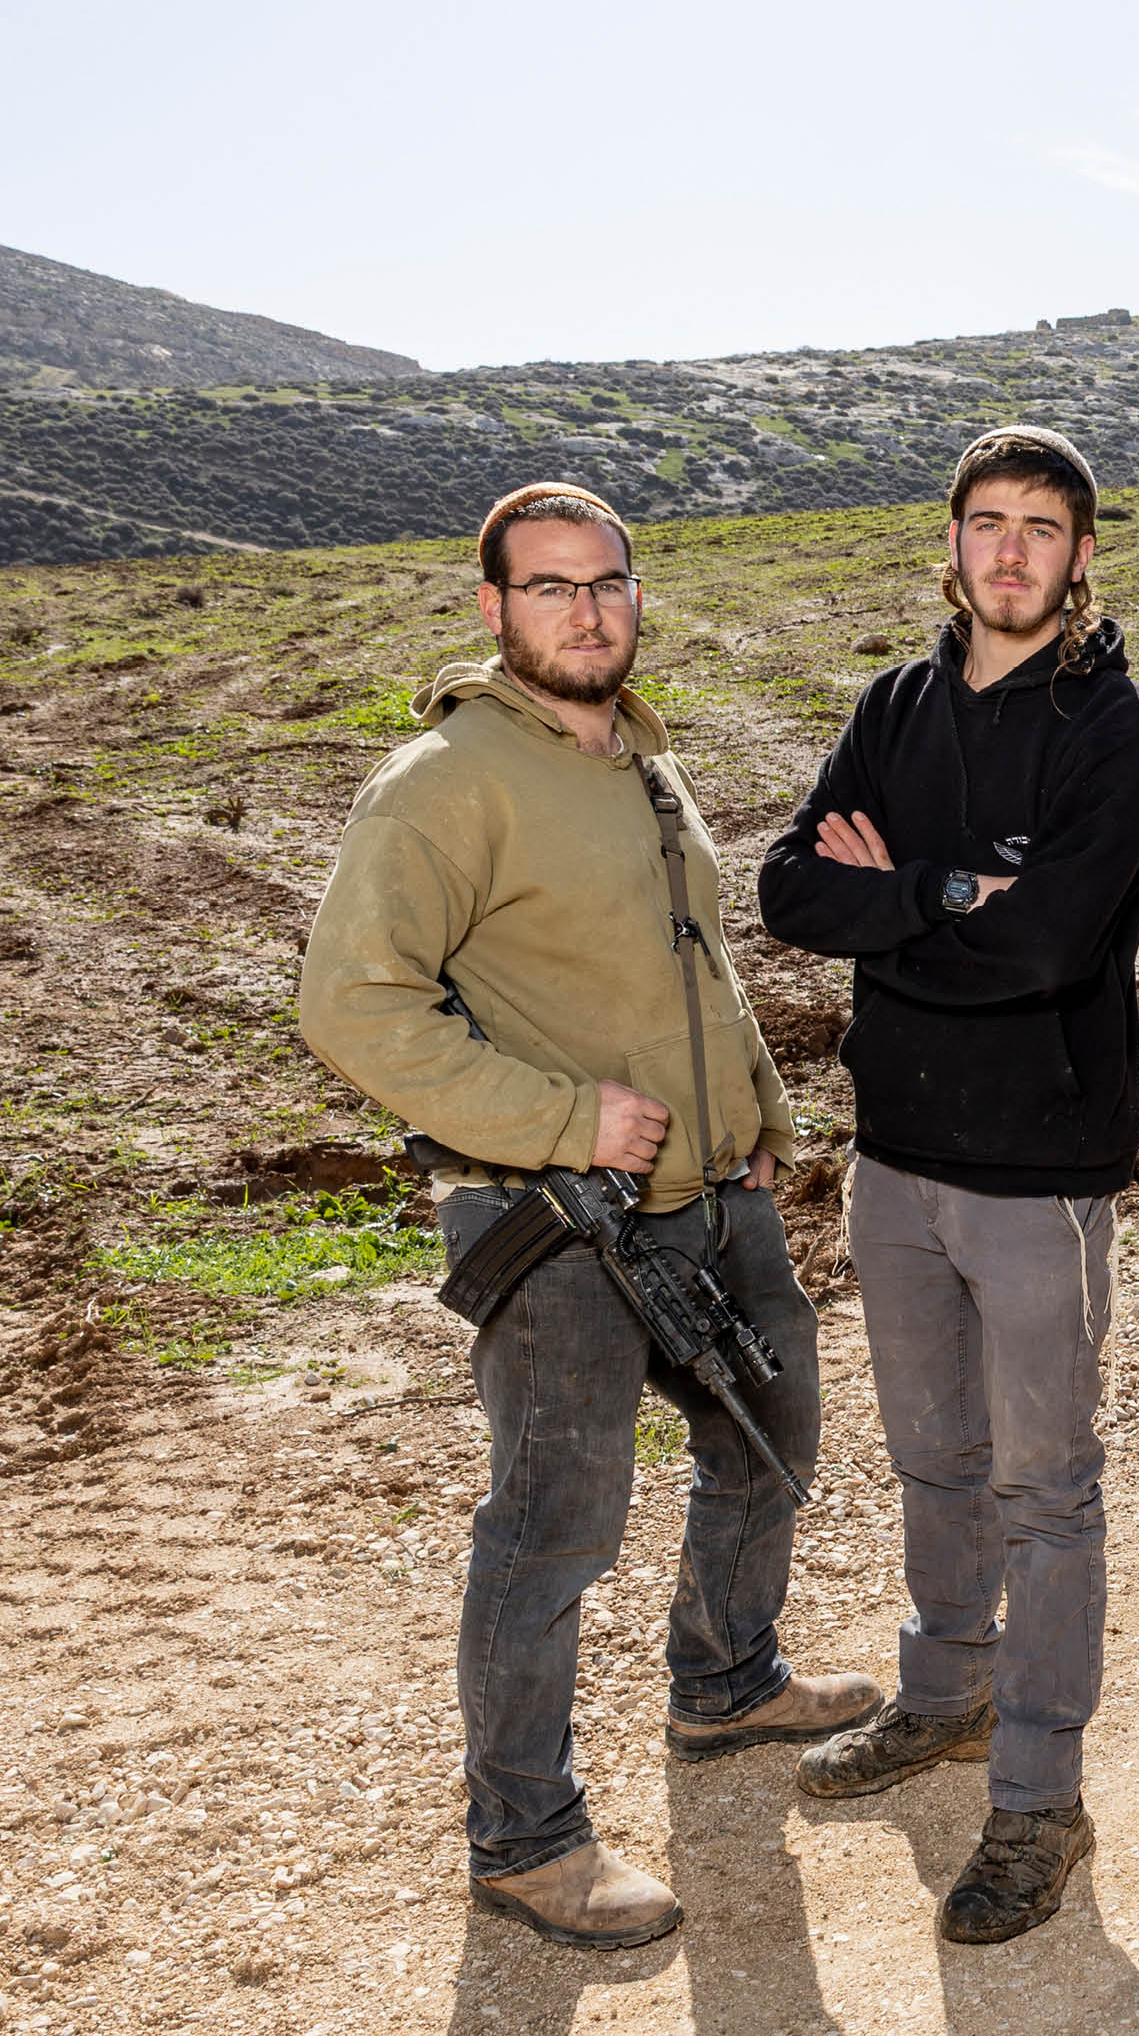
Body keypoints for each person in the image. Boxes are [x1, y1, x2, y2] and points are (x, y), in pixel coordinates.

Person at [299, 482, 875, 1950]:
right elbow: (350, 1000)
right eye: (550, 586)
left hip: (706, 1193)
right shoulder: (444, 778)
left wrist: (755, 1124)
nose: (586, 609)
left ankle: (726, 1676)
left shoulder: (639, 761)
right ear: (494, 608)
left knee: (775, 1432)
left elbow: (692, 968)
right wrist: (565, 1122)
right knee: (554, 1526)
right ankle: (524, 1834)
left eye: (605, 581)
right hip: (555, 1221)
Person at [758, 427, 1139, 1945]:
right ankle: (942, 1696)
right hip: (895, 1160)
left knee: (1043, 1488)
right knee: (933, 1457)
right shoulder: (895, 704)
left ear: (1078, 551)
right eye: (986, 523)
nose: (1010, 552)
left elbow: (1049, 946)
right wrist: (937, 888)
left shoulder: (1116, 731)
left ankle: (1039, 1794)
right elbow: (790, 884)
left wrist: (893, 905)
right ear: (951, 539)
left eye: (1041, 527)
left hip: (1040, 1170)